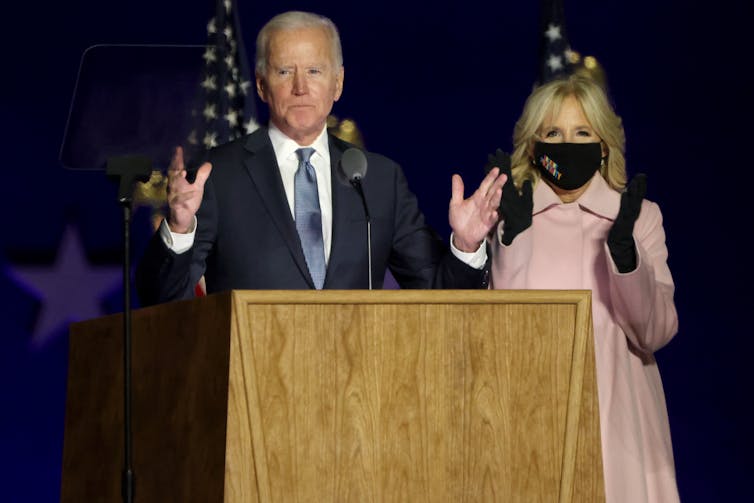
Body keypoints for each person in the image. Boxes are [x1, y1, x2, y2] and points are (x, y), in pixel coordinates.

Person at [135, 10, 505, 305]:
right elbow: (164, 300)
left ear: (338, 83)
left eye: (314, 71)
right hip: (252, 383)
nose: (300, 87)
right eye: (284, 71)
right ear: (262, 85)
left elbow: (439, 294)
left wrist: (466, 246)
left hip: (358, 385)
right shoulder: (219, 175)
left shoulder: (379, 179)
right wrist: (180, 230)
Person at [486, 74, 679, 502]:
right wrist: (511, 240)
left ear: (603, 144)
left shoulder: (639, 217)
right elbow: (502, 331)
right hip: (533, 425)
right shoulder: (512, 219)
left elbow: (655, 332)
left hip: (622, 435)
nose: (567, 145)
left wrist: (625, 256)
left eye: (582, 133)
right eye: (553, 132)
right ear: (534, 147)